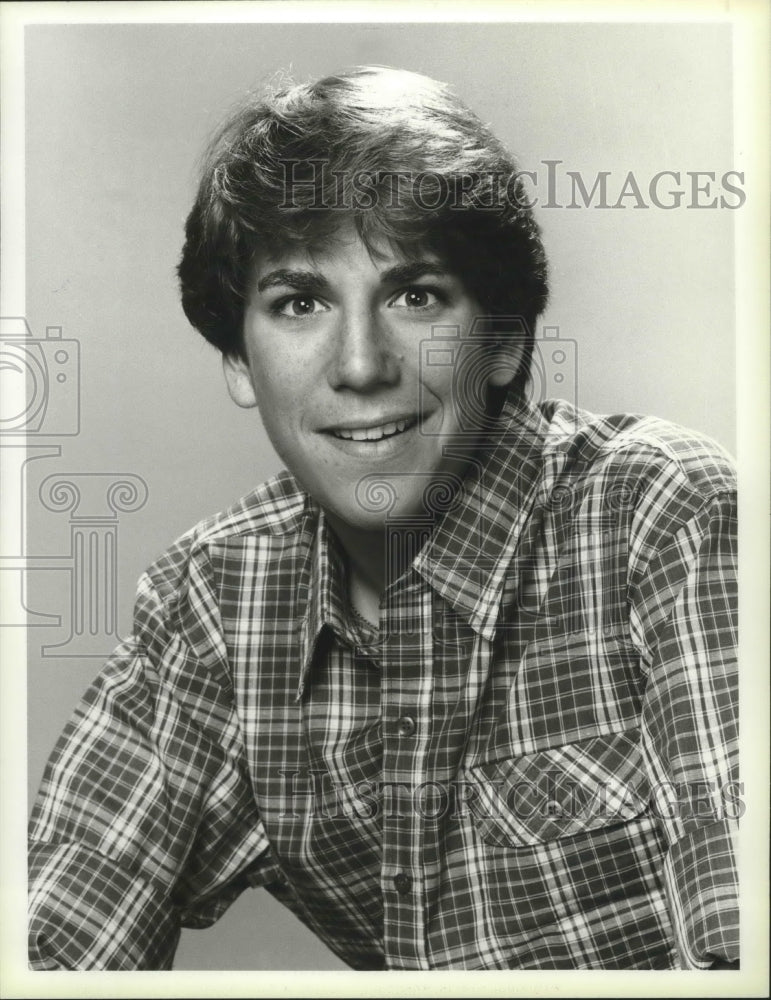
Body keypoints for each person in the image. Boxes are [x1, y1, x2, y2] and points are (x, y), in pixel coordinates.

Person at [27, 66, 739, 971]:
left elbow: (741, 947)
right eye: (299, 303)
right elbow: (52, 945)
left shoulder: (663, 516)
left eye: (415, 295)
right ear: (240, 361)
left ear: (505, 337)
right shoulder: (215, 602)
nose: (359, 365)